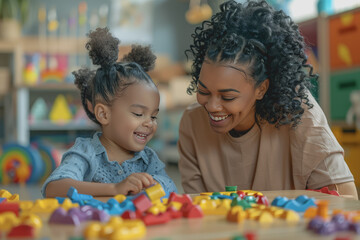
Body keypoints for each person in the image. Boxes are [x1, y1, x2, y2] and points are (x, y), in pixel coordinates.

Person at [178, 0, 358, 199]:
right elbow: (194, 210)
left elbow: (346, 202)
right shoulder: (192, 123)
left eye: (227, 96)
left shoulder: (300, 115)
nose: (211, 106)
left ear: (261, 88)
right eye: (203, 91)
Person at [42, 27, 177, 198]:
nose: (149, 123)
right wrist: (114, 189)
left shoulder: (148, 158)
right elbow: (54, 188)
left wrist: (155, 184)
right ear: (104, 114)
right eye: (138, 113)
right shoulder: (85, 153)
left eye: (153, 116)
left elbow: (171, 188)